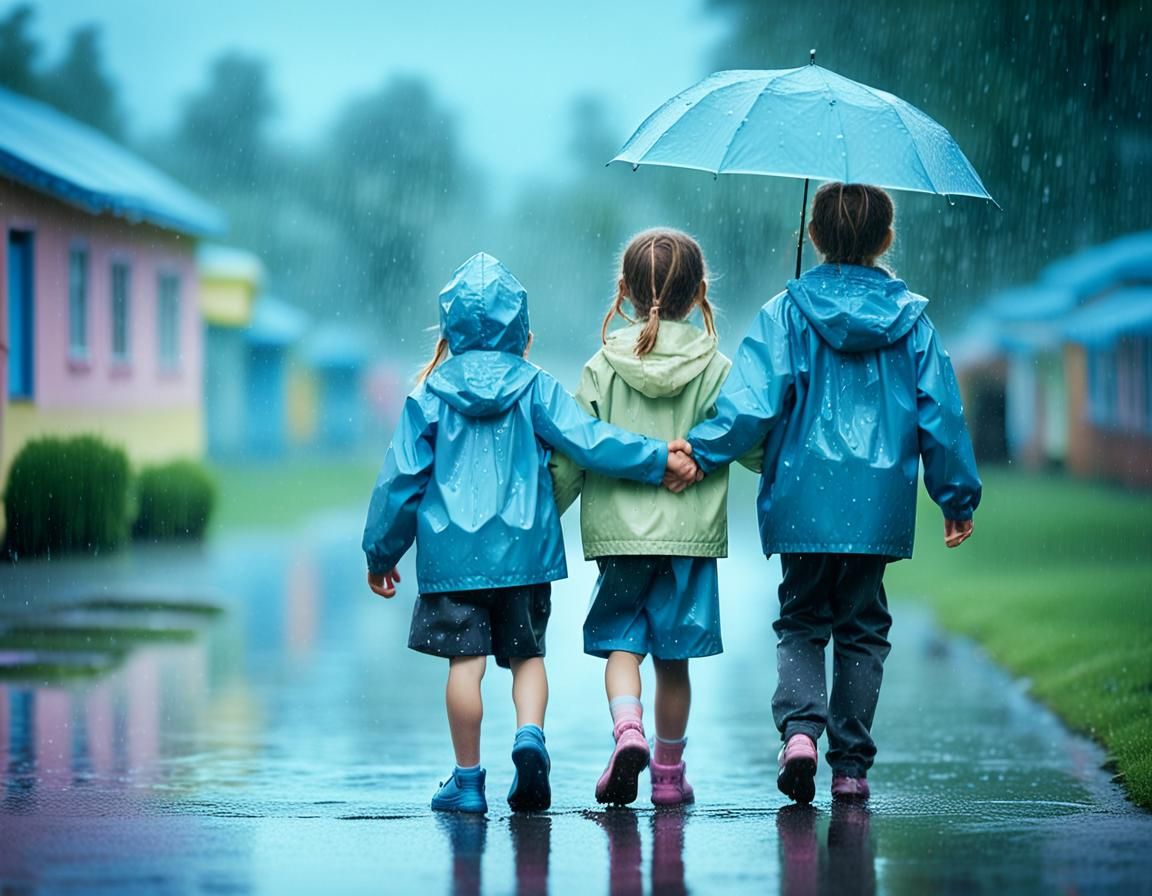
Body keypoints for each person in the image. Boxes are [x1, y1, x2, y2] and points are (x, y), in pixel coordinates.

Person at [362, 252, 700, 815]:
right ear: (521, 329)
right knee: (527, 658)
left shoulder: (430, 394)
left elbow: (399, 480)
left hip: (452, 560)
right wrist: (654, 458)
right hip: (524, 553)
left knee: (464, 665)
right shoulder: (535, 387)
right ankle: (529, 738)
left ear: (449, 330)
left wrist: (381, 552)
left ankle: (468, 781)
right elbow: (589, 441)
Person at [685, 183, 982, 803]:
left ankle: (799, 730)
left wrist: (701, 452)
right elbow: (941, 416)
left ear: (813, 236)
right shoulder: (913, 324)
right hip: (876, 506)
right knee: (863, 629)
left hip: (803, 498)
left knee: (801, 621)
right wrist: (956, 497)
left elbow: (750, 405)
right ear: (885, 239)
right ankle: (850, 765)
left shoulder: (786, 313)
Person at [551, 229, 745, 807]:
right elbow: (749, 439)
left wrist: (545, 515)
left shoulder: (602, 366)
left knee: (621, 647)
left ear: (624, 291)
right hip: (690, 540)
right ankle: (666, 772)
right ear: (701, 291)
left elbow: (573, 450)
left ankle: (626, 730)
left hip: (620, 540)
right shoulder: (718, 367)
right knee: (674, 661)